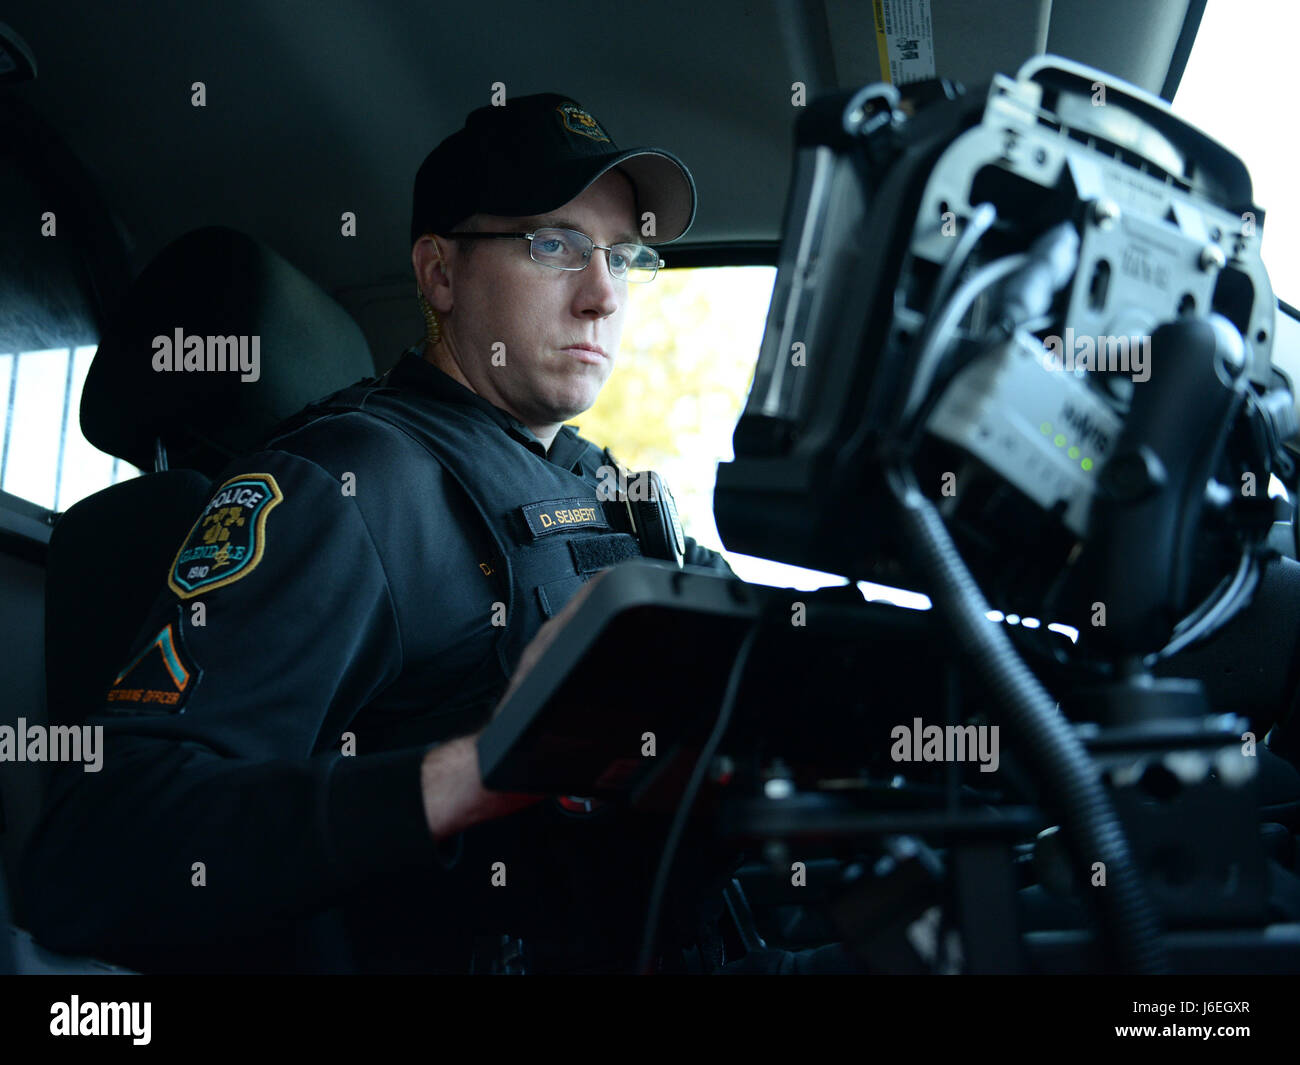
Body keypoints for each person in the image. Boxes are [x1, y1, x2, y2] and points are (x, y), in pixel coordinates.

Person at [18, 92, 746, 974]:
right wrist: (477, 771)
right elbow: (95, 848)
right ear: (439, 273)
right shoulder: (351, 486)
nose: (602, 295)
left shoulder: (611, 488)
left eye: (622, 257)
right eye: (552, 244)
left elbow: (758, 643)